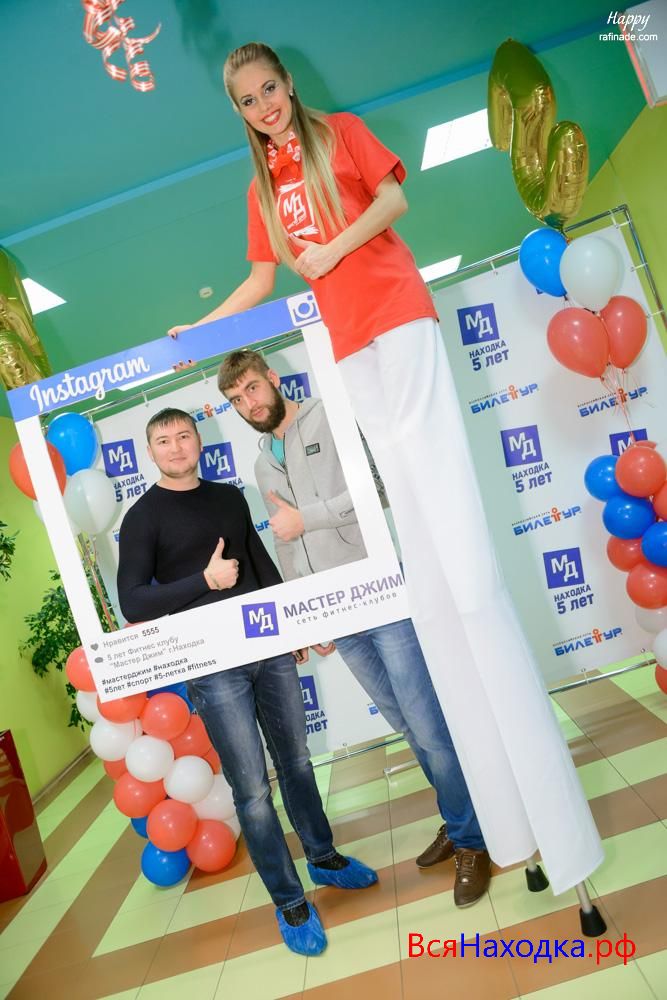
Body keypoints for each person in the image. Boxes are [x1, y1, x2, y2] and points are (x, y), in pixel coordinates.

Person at [167, 43, 603, 894]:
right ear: (239, 112)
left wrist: (333, 247)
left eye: (269, 88)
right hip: (345, 349)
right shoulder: (261, 189)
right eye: (247, 100)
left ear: (288, 83)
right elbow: (260, 277)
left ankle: (546, 821)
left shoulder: (340, 133)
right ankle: (498, 823)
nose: (264, 106)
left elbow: (395, 199)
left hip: (397, 316)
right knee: (428, 566)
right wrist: (199, 330)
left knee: (461, 560)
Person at [218, 347, 492, 905]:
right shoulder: (262, 464)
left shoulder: (332, 416)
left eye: (252, 389)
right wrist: (307, 613)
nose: (248, 404)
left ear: (273, 379)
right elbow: (286, 543)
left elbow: (378, 486)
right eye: (236, 399)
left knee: (428, 725)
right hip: (337, 614)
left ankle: (473, 839)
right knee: (408, 726)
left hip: (381, 596)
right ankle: (460, 816)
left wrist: (308, 518)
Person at [116, 406, 378, 957]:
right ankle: (289, 901)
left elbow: (257, 562)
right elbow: (133, 601)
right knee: (253, 790)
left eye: (183, 436)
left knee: (297, 763)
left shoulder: (229, 497)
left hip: (266, 647)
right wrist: (205, 580)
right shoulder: (142, 517)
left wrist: (292, 625)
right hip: (212, 667)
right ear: (150, 452)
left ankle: (323, 858)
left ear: (199, 441)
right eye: (163, 440)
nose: (176, 447)